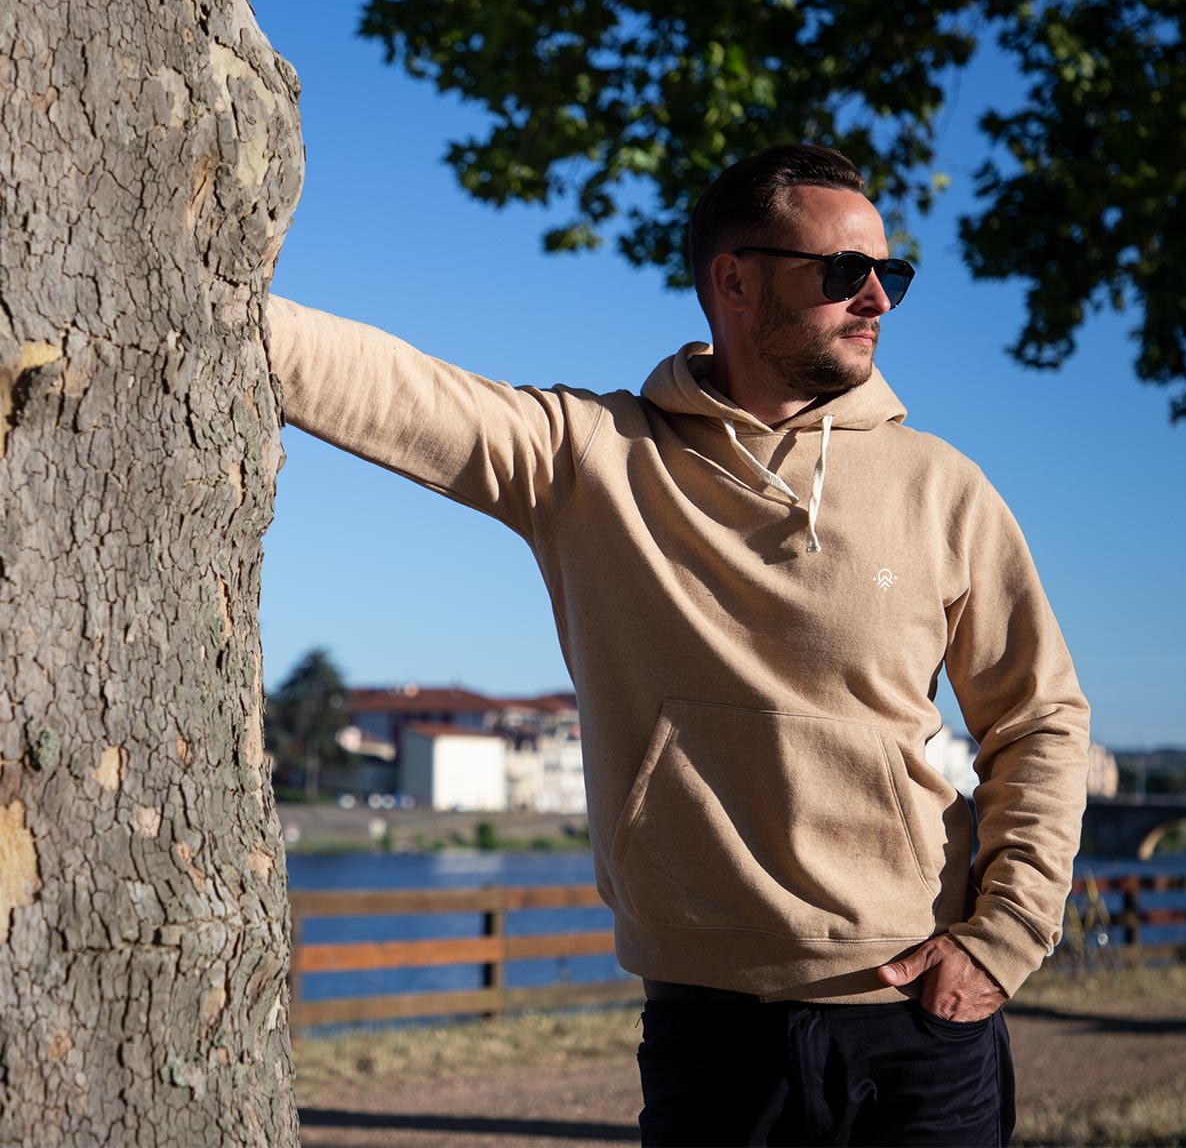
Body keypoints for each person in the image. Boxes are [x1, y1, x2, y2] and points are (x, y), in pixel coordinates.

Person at [266, 143, 1090, 1147]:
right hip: (709, 1028)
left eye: (892, 275)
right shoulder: (593, 460)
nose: (877, 299)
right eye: (844, 273)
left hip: (917, 1021)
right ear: (732, 280)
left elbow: (1039, 718)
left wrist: (1003, 940)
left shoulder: (943, 488)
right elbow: (398, 390)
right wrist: (208, 300)